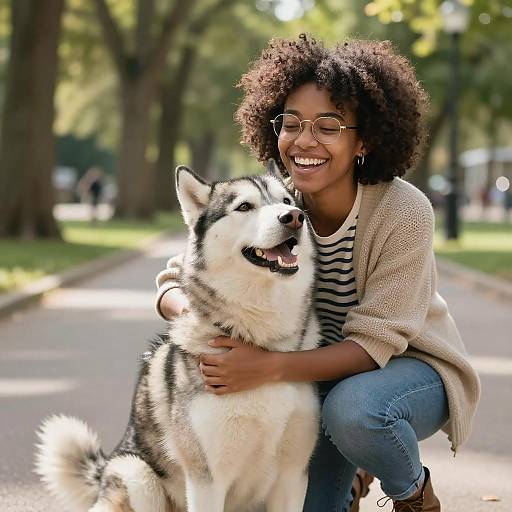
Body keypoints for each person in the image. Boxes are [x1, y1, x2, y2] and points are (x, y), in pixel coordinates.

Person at [155, 35, 480, 512]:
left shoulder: (403, 211)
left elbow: (375, 345)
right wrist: (205, 325)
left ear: (364, 139)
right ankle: (353, 471)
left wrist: (265, 367)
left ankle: (412, 494)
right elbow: (176, 280)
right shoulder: (274, 203)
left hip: (406, 370)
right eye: (292, 123)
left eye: (329, 125)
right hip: (314, 377)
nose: (305, 140)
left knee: (355, 411)